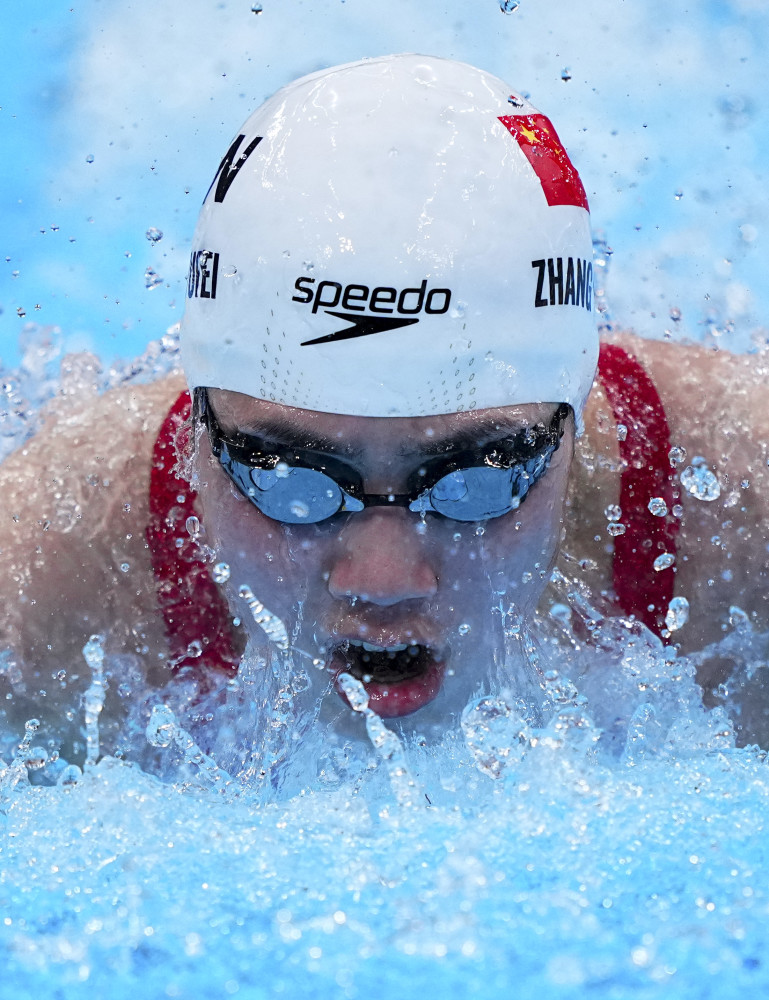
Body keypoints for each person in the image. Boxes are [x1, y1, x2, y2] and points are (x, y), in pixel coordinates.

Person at [1, 55, 768, 751]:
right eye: (289, 480)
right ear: (200, 430)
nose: (384, 577)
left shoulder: (742, 535)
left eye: (477, 480)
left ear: (571, 422)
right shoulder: (44, 589)